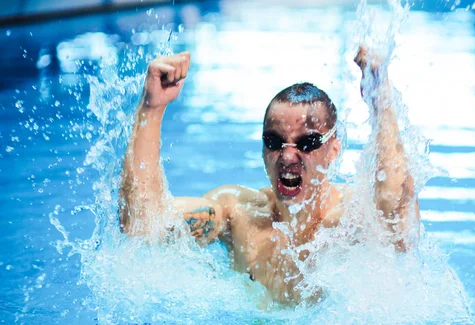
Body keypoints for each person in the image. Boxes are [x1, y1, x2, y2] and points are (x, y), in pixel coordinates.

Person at [119, 46, 419, 304]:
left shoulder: (350, 220)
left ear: (334, 149)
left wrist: (383, 103)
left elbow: (398, 223)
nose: (288, 156)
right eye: (274, 142)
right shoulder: (238, 213)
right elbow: (142, 224)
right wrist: (151, 108)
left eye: (307, 143)